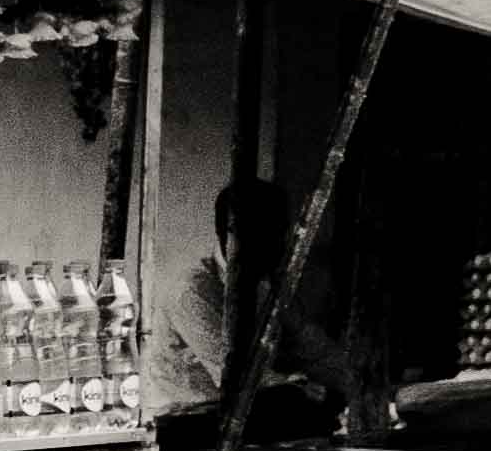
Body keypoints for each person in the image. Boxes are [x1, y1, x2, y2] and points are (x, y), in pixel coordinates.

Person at [157, 176, 384, 437]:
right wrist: (304, 387)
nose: (279, 245)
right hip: (185, 425)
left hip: (244, 419)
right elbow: (236, 378)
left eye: (281, 233)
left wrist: (368, 387)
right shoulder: (191, 291)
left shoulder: (265, 285)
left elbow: (313, 349)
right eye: (266, 235)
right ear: (230, 233)